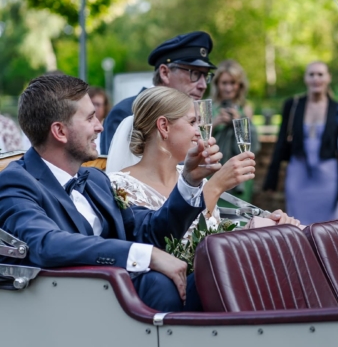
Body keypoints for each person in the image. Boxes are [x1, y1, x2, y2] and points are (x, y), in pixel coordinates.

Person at [0, 73, 226, 312]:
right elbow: (45, 243)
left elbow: (148, 229)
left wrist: (189, 181)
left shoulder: (95, 179)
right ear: (60, 132)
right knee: (160, 284)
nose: (100, 126)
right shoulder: (15, 183)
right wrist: (146, 255)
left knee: (218, 270)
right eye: (90, 118)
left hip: (122, 303)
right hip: (75, 310)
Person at [106, 87, 299, 234]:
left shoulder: (190, 177)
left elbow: (213, 238)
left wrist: (264, 225)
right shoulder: (119, 186)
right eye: (192, 122)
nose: (200, 131)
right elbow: (173, 245)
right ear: (164, 126)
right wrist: (216, 186)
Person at [100, 31, 216, 154]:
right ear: (165, 73)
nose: (203, 85)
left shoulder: (197, 115)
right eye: (195, 73)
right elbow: (117, 171)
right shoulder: (127, 112)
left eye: (205, 75)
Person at [263, 61, 338, 225]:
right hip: (298, 175)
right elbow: (281, 142)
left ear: (328, 78)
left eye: (320, 74)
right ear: (305, 79)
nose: (316, 79)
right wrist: (272, 178)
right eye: (311, 74)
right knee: (297, 225)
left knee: (328, 228)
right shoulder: (293, 105)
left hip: (328, 178)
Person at [210, 59, 259, 201]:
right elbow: (196, 141)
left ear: (239, 85)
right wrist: (215, 123)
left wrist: (240, 122)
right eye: (224, 83)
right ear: (217, 84)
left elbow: (253, 145)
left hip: (240, 172)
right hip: (214, 171)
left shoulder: (246, 108)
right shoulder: (210, 107)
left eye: (232, 83)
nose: (228, 88)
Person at [89, 87, 110, 155]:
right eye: (92, 103)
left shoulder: (109, 128)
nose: (94, 108)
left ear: (105, 107)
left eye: (97, 104)